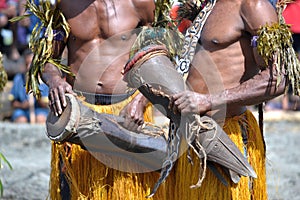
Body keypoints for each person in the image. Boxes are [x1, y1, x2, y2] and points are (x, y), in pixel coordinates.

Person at [168, 0, 299, 199]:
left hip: (226, 136)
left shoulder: (253, 6)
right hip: (189, 134)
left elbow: (277, 78)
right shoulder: (207, 6)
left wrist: (209, 101)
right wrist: (141, 101)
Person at [9, 49, 49, 123]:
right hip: (23, 111)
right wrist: (22, 105)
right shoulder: (18, 79)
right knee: (21, 119)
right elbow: (12, 101)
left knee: (40, 118)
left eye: (31, 64)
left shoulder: (44, 79)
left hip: (39, 110)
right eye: (26, 64)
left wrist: (37, 97)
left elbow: (47, 105)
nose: (28, 68)